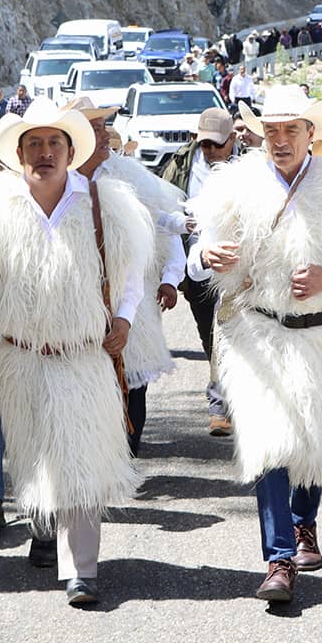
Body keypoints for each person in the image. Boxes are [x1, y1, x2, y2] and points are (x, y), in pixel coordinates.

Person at [0, 98, 150, 605]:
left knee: (81, 459)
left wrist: (122, 319)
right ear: (17, 152)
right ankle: (45, 527)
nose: (45, 152)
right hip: (20, 358)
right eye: (33, 143)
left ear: (72, 150)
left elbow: (130, 275)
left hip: (84, 358)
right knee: (36, 459)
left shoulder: (105, 205)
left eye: (54, 142)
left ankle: (83, 571)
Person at [191, 86, 322, 604]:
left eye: (291, 130)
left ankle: (305, 524)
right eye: (272, 130)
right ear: (259, 133)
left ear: (312, 133)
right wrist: (205, 256)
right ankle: (278, 558)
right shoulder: (232, 186)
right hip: (257, 333)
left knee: (313, 441)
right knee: (269, 444)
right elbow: (197, 257)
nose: (280, 140)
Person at [66, 96, 187, 456]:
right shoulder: (56, 181)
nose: (104, 136)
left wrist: (186, 226)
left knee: (132, 375)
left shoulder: (127, 175)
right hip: (77, 304)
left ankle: (127, 451)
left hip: (128, 297)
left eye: (104, 127)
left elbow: (160, 219)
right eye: (95, 128)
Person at [161, 106, 240, 434]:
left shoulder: (251, 166)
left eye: (216, 145)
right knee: (211, 334)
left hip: (238, 268)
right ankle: (224, 395)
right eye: (204, 144)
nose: (209, 151)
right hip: (197, 267)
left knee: (236, 335)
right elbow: (164, 210)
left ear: (233, 140)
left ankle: (222, 403)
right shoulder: (180, 165)